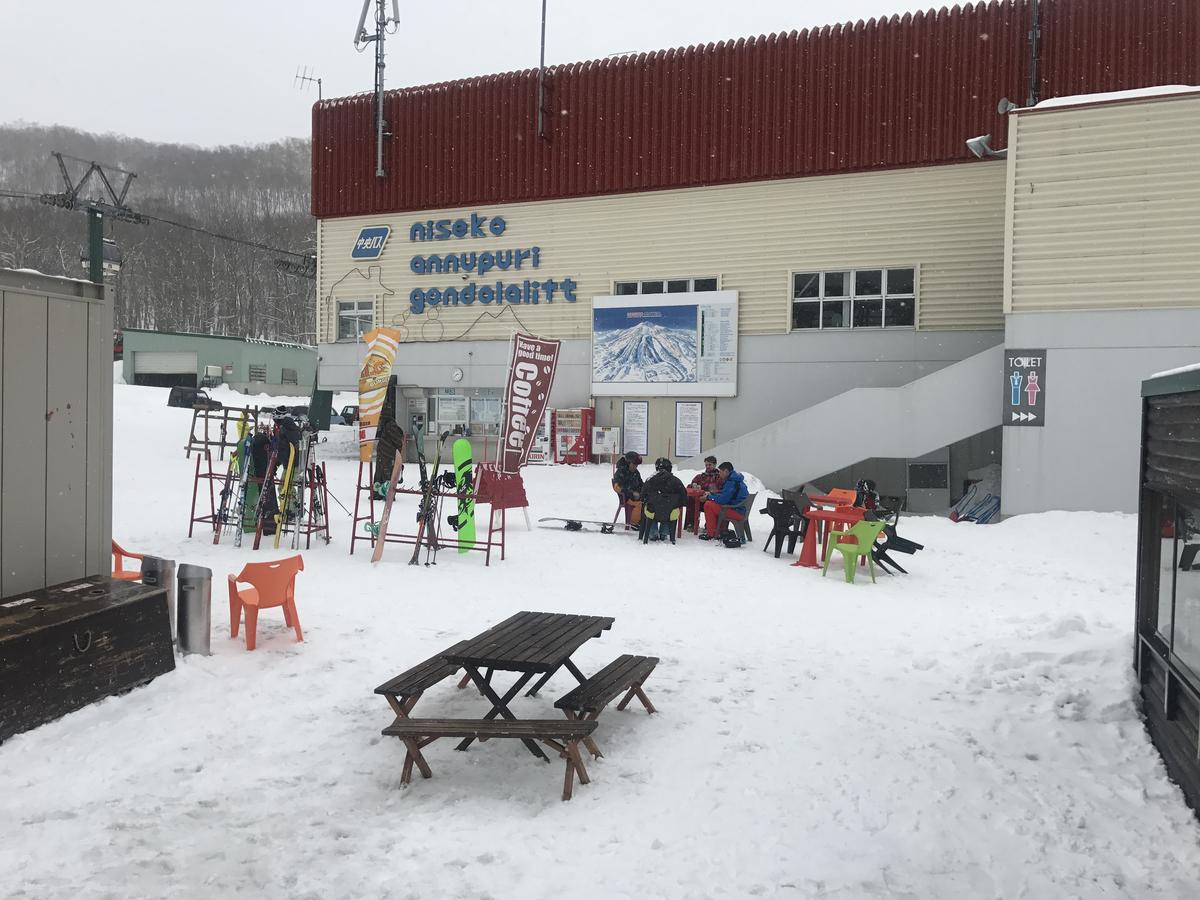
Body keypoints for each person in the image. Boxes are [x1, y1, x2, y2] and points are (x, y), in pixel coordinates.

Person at [642, 458, 687, 543]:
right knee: (671, 509)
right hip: (670, 514)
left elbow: (642, 497)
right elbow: (684, 498)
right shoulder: (676, 481)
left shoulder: (650, 480)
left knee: (650, 507)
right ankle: (664, 532)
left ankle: (652, 532)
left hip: (652, 512)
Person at [700, 461, 749, 541]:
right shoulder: (736, 479)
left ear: (726, 471)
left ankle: (711, 533)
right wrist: (713, 494)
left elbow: (723, 500)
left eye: (720, 471)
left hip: (737, 512)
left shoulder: (731, 482)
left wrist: (709, 497)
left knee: (708, 505)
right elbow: (727, 495)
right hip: (741, 510)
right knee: (714, 504)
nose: (719, 473)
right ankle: (719, 530)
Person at [685, 455, 722, 531]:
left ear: (715, 465)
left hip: (711, 499)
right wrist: (693, 485)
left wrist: (709, 494)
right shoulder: (700, 476)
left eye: (710, 465)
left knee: (709, 503)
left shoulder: (719, 477)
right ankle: (691, 524)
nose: (708, 467)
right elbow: (689, 487)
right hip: (698, 500)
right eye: (706, 465)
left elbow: (720, 490)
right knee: (690, 500)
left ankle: (709, 526)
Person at [612, 450, 644, 525]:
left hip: (637, 497)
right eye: (634, 464)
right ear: (628, 463)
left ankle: (646, 523)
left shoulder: (636, 472)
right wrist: (631, 493)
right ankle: (635, 523)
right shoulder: (620, 472)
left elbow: (641, 484)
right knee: (641, 505)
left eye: (637, 465)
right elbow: (617, 487)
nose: (636, 467)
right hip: (628, 498)